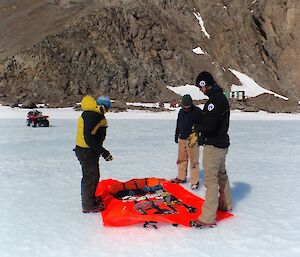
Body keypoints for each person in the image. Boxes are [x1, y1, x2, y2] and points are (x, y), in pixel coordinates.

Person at [190, 71, 232, 228]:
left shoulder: (214, 101)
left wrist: (198, 128)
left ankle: (208, 218)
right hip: (222, 145)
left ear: (204, 85)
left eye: (201, 87)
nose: (201, 91)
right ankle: (226, 204)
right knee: (222, 175)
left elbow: (210, 126)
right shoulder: (221, 98)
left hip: (214, 146)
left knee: (211, 180)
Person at [74, 95, 113, 213]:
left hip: (88, 150)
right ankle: (88, 206)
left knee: (94, 176)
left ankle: (90, 200)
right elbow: (89, 139)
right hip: (87, 151)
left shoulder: (93, 114)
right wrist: (104, 152)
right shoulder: (92, 116)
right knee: (90, 178)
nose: (107, 111)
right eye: (107, 108)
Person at [171, 94, 203, 190]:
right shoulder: (181, 112)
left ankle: (194, 181)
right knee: (181, 159)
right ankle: (181, 177)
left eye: (188, 106)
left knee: (194, 161)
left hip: (192, 139)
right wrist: (177, 135)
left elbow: (203, 124)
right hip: (182, 139)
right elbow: (178, 124)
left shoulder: (197, 112)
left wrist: (200, 138)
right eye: (184, 106)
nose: (186, 107)